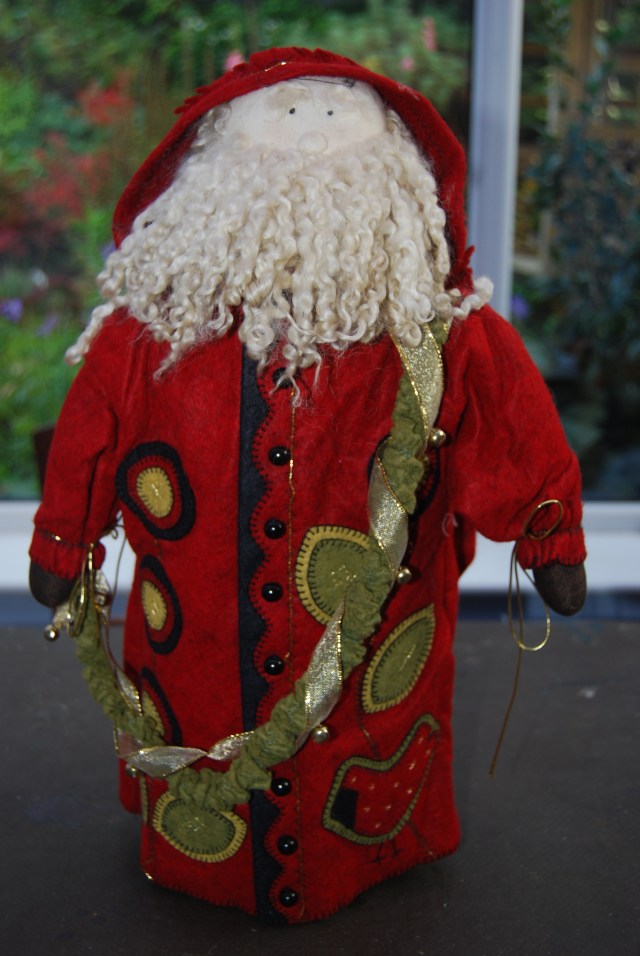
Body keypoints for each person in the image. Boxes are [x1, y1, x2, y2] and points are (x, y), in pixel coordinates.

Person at [29, 47, 586, 924]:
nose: (311, 126)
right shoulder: (144, 342)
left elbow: (513, 427)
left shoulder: (446, 341)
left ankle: (379, 845)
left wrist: (549, 535)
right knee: (199, 740)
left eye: (334, 114)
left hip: (376, 709)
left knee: (377, 737)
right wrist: (63, 540)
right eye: (287, 114)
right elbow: (88, 443)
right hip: (195, 674)